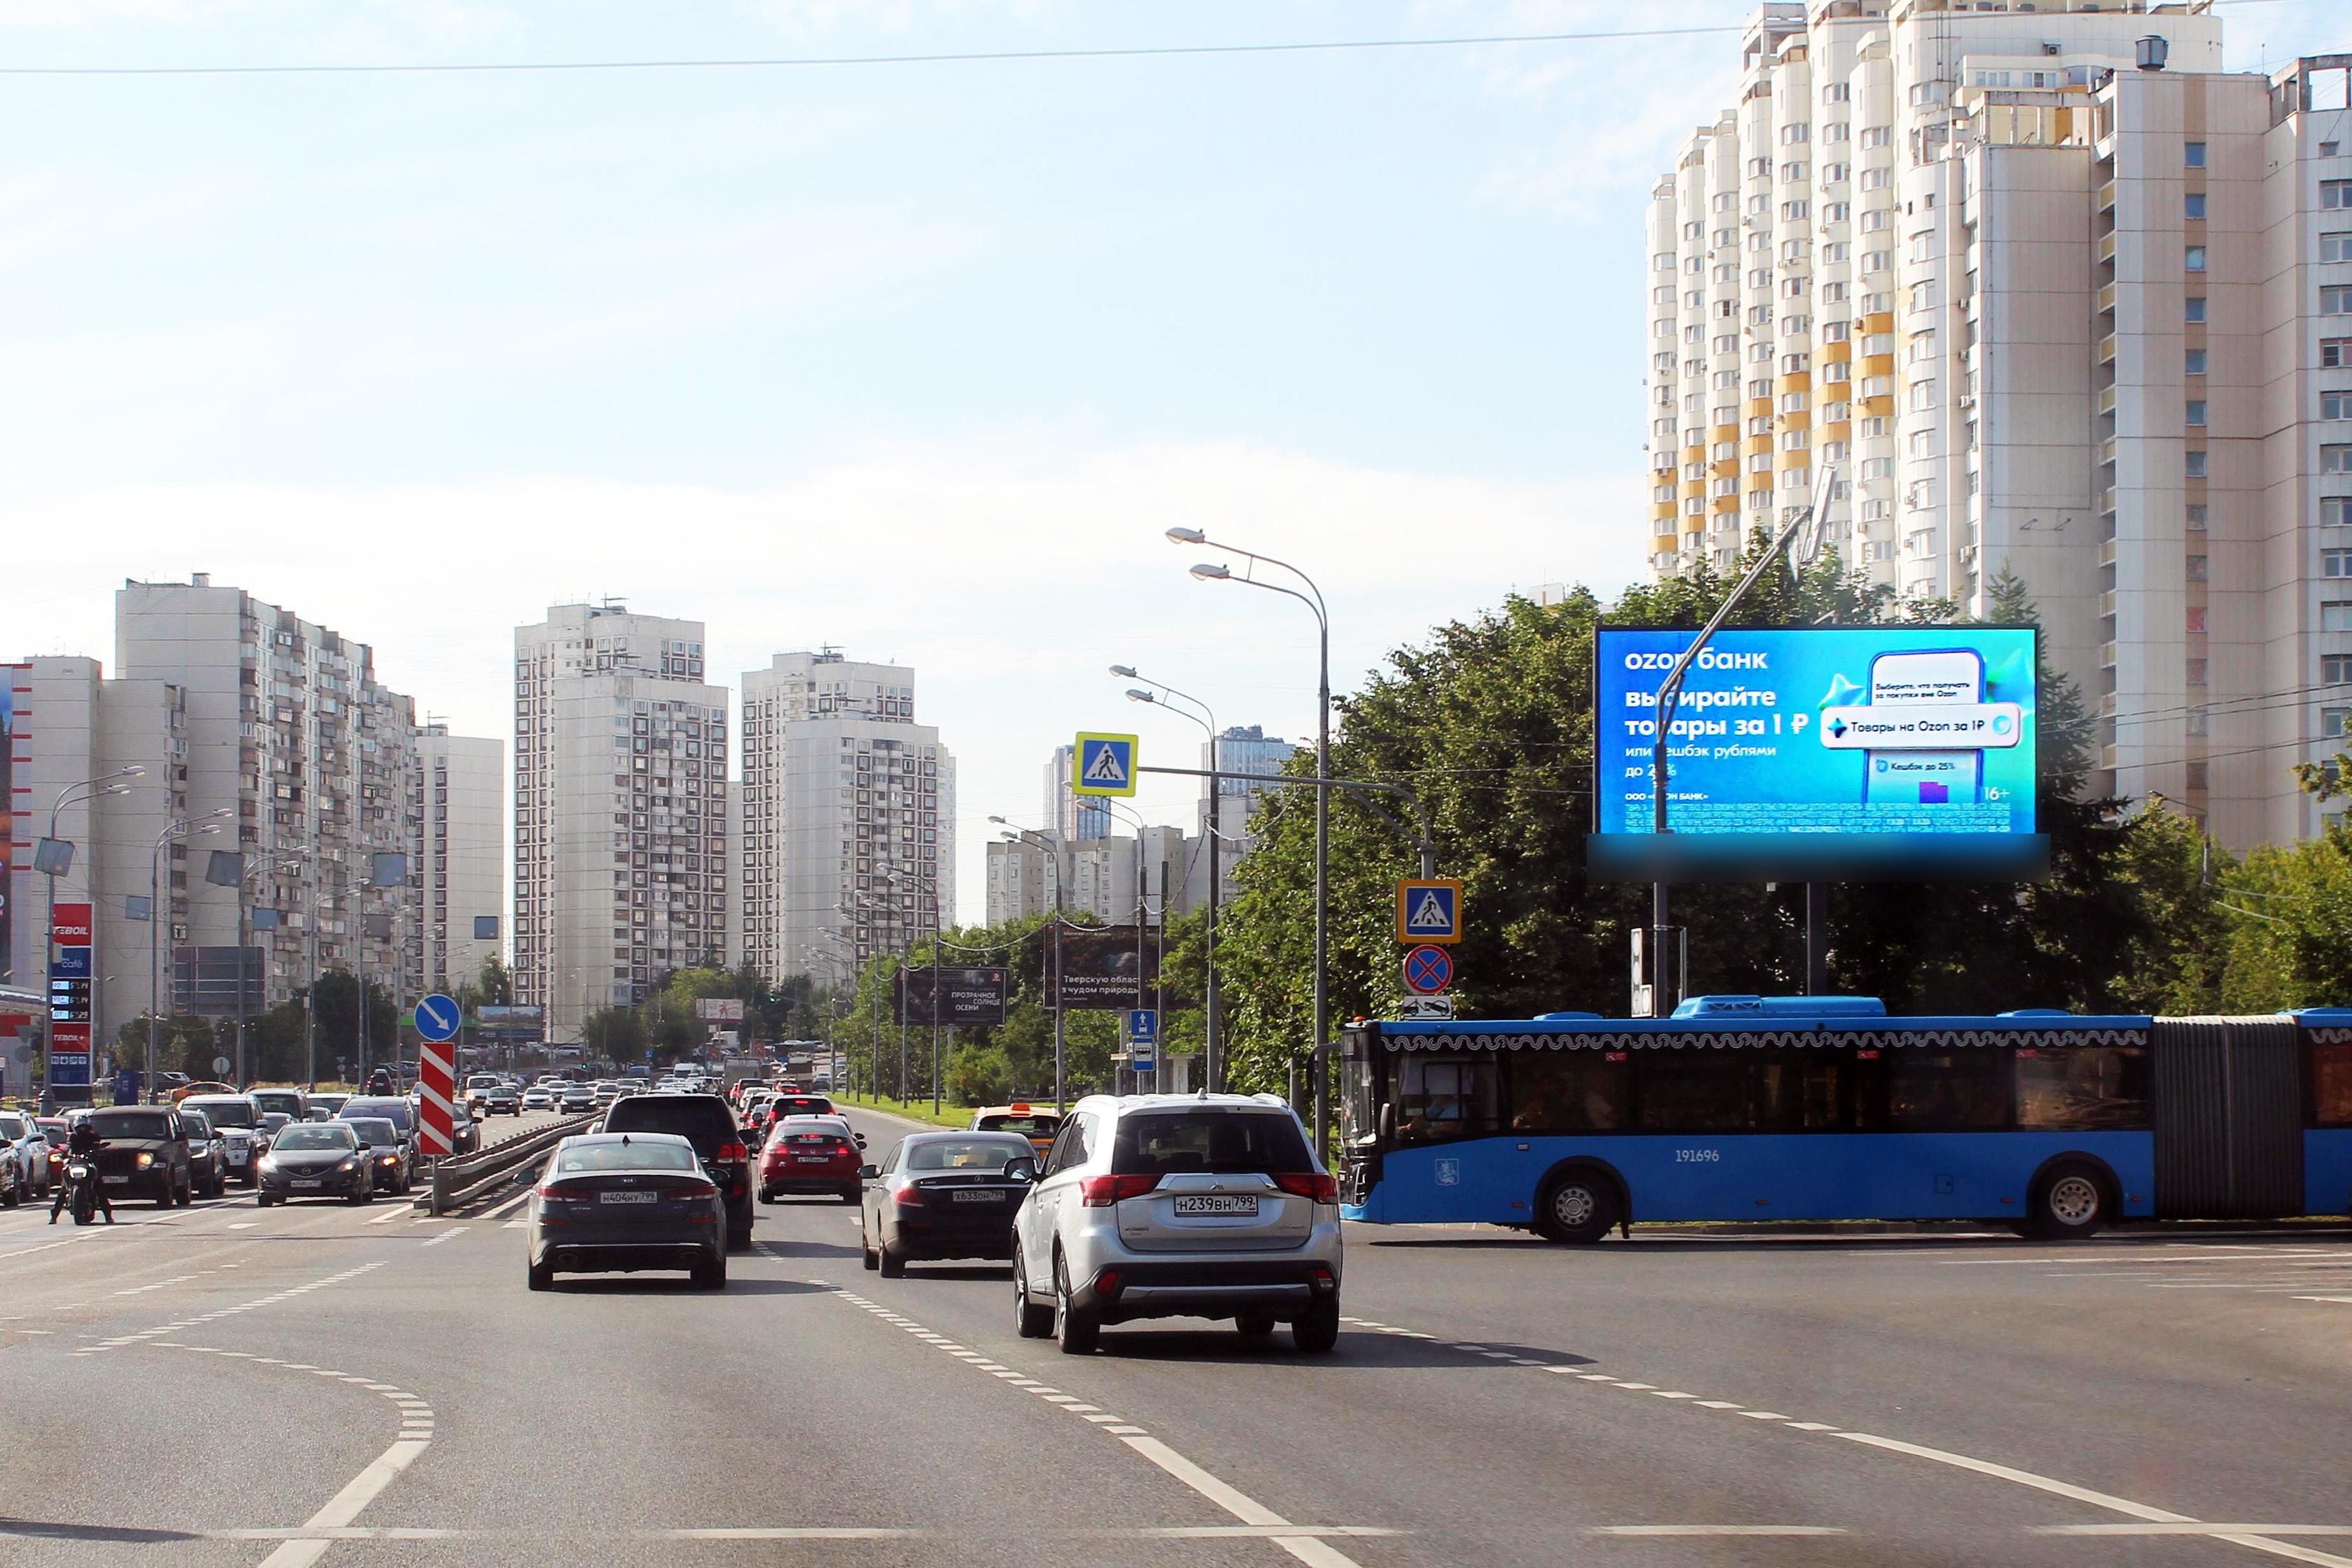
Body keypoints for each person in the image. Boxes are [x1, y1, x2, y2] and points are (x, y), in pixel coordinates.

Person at [50, 1116, 115, 1225]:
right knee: (63, 1189)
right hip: (75, 1163)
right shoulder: (73, 1137)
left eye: (84, 1127)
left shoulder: (94, 1137)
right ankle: (54, 1217)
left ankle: (108, 1216)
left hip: (89, 1163)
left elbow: (98, 1147)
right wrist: (65, 1153)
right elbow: (69, 1148)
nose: (82, 1130)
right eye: (80, 1127)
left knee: (99, 1187)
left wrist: (97, 1151)